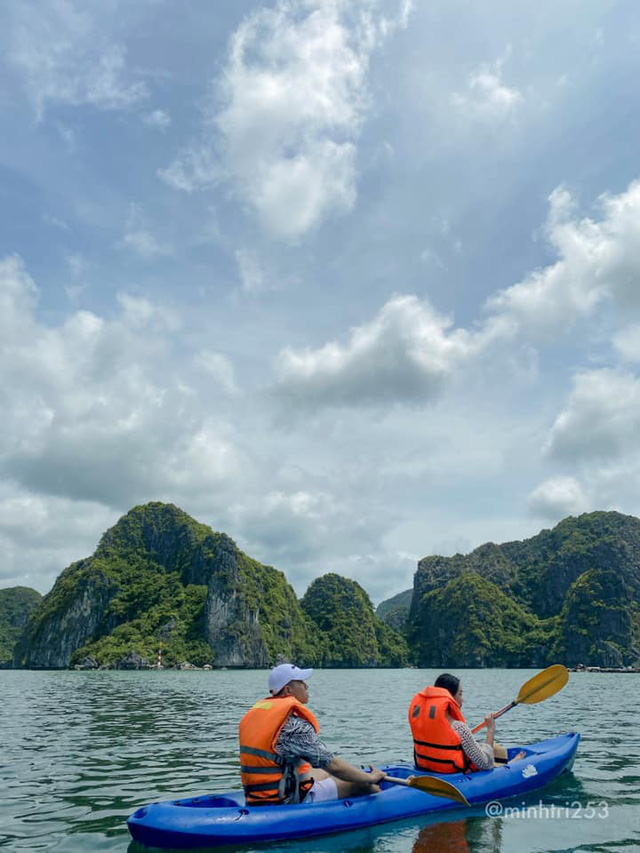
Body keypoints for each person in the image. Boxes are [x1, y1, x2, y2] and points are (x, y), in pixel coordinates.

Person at [239, 663, 385, 806]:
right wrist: (369, 778)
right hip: (287, 799)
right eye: (301, 682)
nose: (306, 686)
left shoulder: (255, 715)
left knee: (322, 772)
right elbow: (334, 766)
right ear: (288, 690)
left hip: (257, 797)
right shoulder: (294, 726)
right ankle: (380, 806)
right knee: (362, 785)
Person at [408, 673, 524, 773]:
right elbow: (485, 765)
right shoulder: (459, 728)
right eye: (460, 694)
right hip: (455, 775)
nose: (462, 699)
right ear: (450, 698)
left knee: (493, 748)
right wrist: (490, 729)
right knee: (497, 748)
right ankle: (511, 764)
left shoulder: (422, 725)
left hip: (431, 771)